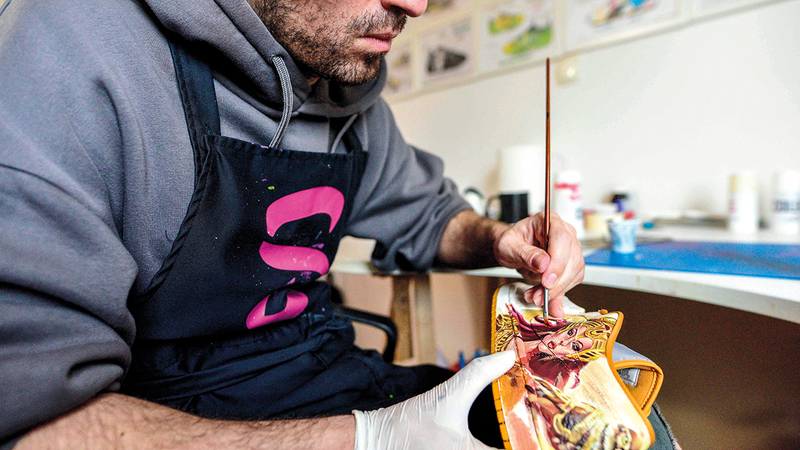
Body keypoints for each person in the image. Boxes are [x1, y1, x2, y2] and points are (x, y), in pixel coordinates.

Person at [0, 0, 590, 448]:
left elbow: (432, 218)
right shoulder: (75, 45)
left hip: (321, 370)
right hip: (159, 412)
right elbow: (33, 420)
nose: (416, 6)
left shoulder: (347, 93)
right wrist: (369, 439)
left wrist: (498, 239)